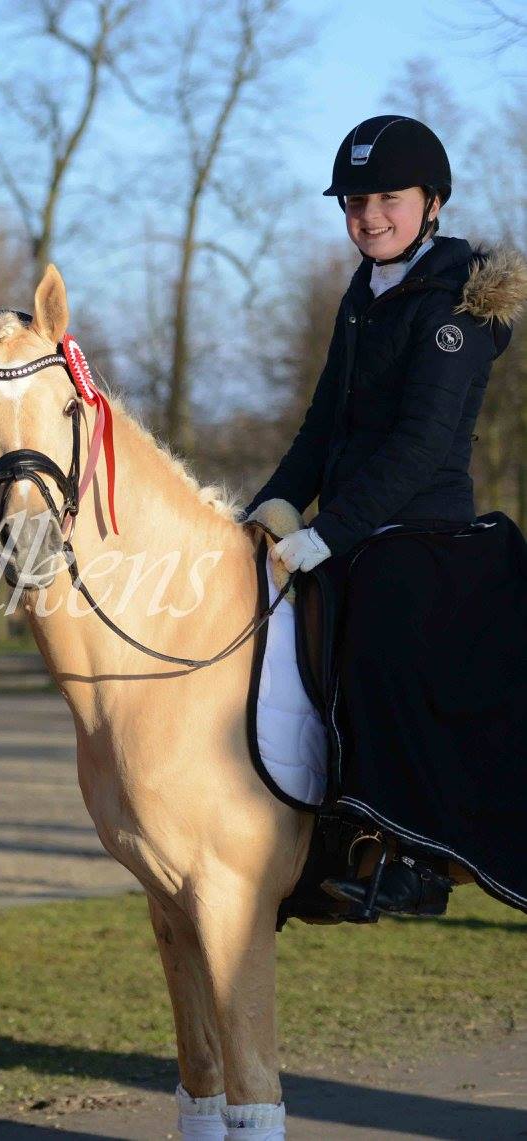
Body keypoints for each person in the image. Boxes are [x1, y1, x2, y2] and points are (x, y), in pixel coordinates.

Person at [246, 115, 521, 916]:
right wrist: (267, 510)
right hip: (351, 526)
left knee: (381, 617)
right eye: (354, 200)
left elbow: (417, 446)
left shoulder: (455, 306)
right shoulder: (361, 295)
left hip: (423, 529)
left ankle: (414, 859)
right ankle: (311, 833)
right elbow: (320, 427)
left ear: (431, 201)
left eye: (387, 198)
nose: (368, 215)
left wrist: (322, 534)